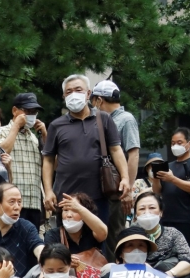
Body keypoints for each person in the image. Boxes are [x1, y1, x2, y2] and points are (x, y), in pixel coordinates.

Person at [41, 74, 130, 237]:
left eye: (78, 90)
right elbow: (48, 159)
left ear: (88, 93)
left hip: (98, 194)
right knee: (67, 242)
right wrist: (48, 191)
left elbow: (116, 150)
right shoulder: (56, 125)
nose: (73, 94)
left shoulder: (103, 119)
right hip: (66, 196)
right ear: (64, 96)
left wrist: (125, 178)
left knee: (99, 240)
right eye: (68, 92)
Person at [91, 80, 140, 256]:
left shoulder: (126, 119)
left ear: (99, 100)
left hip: (116, 188)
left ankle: (113, 271)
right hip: (98, 187)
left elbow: (133, 155)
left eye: (93, 100)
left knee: (114, 238)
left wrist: (128, 190)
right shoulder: (97, 119)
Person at [0, 93, 49, 228]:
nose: (31, 115)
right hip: (11, 202)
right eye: (27, 111)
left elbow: (48, 165)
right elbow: (0, 153)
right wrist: (16, 126)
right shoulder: (1, 131)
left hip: (34, 202)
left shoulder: (34, 138)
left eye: (34, 112)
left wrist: (45, 135)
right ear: (15, 110)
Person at [152, 128, 190, 254]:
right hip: (166, 218)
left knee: (184, 253)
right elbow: (158, 191)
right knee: (165, 253)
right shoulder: (168, 166)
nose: (175, 146)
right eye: (173, 143)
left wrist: (173, 179)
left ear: (189, 143)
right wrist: (155, 179)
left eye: (179, 143)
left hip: (185, 219)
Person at [44, 192, 107, 257]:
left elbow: (103, 232)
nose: (69, 215)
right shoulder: (53, 235)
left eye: (75, 211)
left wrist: (79, 208)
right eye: (65, 210)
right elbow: (48, 259)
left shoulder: (91, 231)